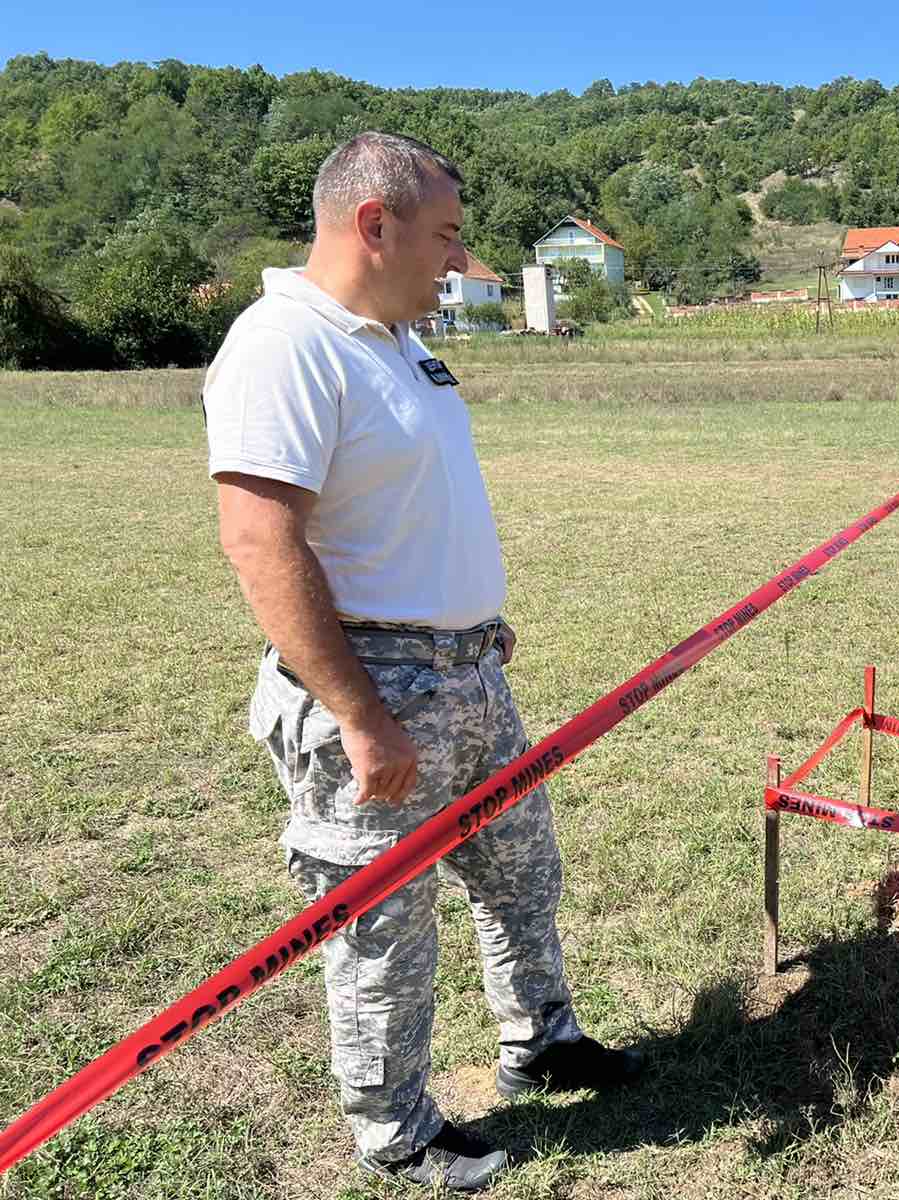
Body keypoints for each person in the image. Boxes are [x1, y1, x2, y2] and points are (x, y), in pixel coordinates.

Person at [204, 132, 643, 1192]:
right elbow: (262, 539)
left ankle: (541, 1040)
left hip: (467, 676)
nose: (456, 259)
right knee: (381, 924)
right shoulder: (284, 345)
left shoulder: (396, 341)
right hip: (374, 688)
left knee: (520, 879)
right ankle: (393, 1130)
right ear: (374, 223)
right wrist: (357, 711)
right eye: (444, 235)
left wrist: (474, 622)